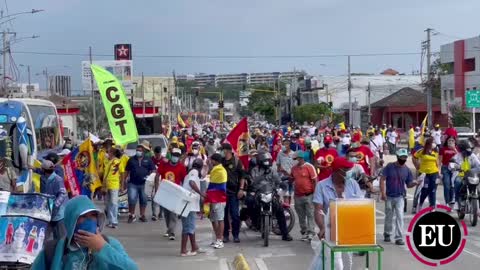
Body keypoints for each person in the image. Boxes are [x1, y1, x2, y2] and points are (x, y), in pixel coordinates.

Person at [31, 195, 138, 270]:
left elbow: (132, 268)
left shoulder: (110, 244)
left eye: (93, 216)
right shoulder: (53, 251)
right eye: (83, 217)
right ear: (71, 220)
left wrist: (102, 248)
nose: (90, 220)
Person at [313, 157, 363, 270]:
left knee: (347, 262)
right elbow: (318, 209)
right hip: (330, 229)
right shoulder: (321, 186)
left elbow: (361, 206)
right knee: (336, 263)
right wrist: (322, 228)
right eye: (346, 169)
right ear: (337, 171)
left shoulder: (353, 184)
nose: (350, 171)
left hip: (349, 230)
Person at [248, 151, 293, 241]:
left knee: (280, 210)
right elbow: (252, 182)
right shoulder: (254, 170)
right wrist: (261, 177)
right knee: (250, 204)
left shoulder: (272, 170)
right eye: (264, 161)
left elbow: (278, 180)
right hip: (258, 193)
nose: (266, 163)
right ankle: (254, 223)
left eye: (267, 161)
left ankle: (285, 233)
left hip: (271, 192)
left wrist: (281, 185)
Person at [380, 149, 418, 245]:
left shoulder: (407, 170)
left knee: (400, 217)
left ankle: (399, 237)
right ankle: (387, 233)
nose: (403, 159)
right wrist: (383, 193)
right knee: (389, 216)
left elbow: (409, 184)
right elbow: (382, 179)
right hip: (389, 196)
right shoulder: (389, 167)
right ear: (397, 157)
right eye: (402, 157)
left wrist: (415, 183)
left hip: (400, 197)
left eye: (405, 157)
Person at [155, 148, 187, 240]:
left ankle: (172, 232)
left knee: (173, 213)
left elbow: (184, 180)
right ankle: (169, 229)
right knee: (166, 213)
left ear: (179, 157)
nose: (175, 157)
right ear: (171, 155)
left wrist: (184, 192)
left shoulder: (181, 167)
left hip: (175, 193)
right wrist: (157, 189)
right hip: (164, 191)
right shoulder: (164, 165)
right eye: (174, 155)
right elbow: (157, 175)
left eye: (177, 156)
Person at [220, 143, 246, 243]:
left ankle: (236, 235)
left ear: (229, 151)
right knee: (224, 215)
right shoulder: (221, 161)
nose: (223, 152)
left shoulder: (236, 161)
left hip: (234, 192)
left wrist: (241, 189)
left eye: (224, 150)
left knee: (235, 214)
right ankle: (225, 235)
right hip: (223, 192)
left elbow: (242, 176)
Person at [124, 144, 155, 223]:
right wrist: (124, 182)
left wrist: (150, 178)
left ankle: (142, 215)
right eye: (137, 150)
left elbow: (153, 170)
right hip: (133, 183)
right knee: (131, 199)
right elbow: (127, 171)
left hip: (144, 184)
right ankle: (131, 215)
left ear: (143, 152)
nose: (138, 152)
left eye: (140, 151)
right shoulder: (131, 159)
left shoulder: (148, 160)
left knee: (144, 200)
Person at [180, 158, 205, 256]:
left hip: (189, 204)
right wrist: (201, 193)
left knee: (190, 227)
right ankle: (183, 250)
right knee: (187, 228)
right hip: (189, 205)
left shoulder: (190, 172)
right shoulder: (194, 172)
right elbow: (192, 183)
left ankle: (194, 247)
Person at [290, 151, 317, 241]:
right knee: (301, 215)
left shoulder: (309, 167)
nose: (296, 160)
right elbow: (291, 178)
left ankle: (311, 232)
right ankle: (304, 231)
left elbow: (315, 180)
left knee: (310, 214)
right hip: (298, 195)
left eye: (297, 158)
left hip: (308, 195)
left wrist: (315, 193)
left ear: (301, 158)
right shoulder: (294, 168)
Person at [39, 160, 68, 239]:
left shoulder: (57, 179)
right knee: (44, 237)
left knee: (61, 238)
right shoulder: (42, 179)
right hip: (46, 212)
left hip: (58, 214)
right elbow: (43, 193)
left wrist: (55, 205)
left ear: (43, 170)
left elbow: (63, 194)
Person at [206, 153, 227, 249]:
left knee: (220, 219)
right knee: (213, 219)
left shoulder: (219, 170)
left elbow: (213, 185)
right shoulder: (216, 169)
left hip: (219, 198)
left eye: (212, 160)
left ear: (215, 161)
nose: (210, 162)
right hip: (213, 197)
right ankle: (217, 238)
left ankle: (220, 240)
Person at [413, 138, 441, 210]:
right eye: (433, 142)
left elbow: (437, 162)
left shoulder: (436, 151)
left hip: (434, 173)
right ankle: (420, 204)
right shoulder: (421, 151)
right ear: (429, 144)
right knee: (424, 190)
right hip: (424, 173)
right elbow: (414, 157)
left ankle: (432, 206)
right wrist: (417, 165)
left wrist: (439, 172)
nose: (434, 144)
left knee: (433, 190)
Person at [452, 140, 480, 209]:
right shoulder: (457, 156)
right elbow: (452, 164)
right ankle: (456, 201)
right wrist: (454, 167)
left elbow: (478, 165)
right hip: (460, 175)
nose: (467, 152)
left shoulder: (473, 156)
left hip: (471, 175)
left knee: (478, 187)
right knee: (458, 183)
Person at [103, 147, 123, 229]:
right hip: (107, 185)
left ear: (113, 154)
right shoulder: (108, 162)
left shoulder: (118, 162)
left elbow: (122, 173)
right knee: (108, 204)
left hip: (114, 185)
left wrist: (122, 184)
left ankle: (114, 221)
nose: (108, 154)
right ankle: (111, 221)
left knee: (114, 203)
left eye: (109, 152)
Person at [439, 137, 458, 206]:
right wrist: (439, 171)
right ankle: (447, 202)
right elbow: (440, 161)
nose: (451, 141)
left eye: (452, 140)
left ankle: (451, 201)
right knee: (447, 185)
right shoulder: (443, 149)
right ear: (447, 141)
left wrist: (454, 149)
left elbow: (460, 157)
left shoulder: (457, 148)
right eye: (449, 140)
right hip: (445, 168)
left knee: (452, 185)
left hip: (454, 168)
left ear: (455, 142)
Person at [277, 139, 296, 204]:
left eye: (287, 144)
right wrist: (280, 170)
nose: (285, 145)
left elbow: (295, 167)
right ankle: (286, 210)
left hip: (291, 177)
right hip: (283, 178)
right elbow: (278, 166)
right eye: (284, 144)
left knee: (290, 194)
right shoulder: (280, 154)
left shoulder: (293, 154)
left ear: (289, 145)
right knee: (286, 194)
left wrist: (292, 176)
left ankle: (288, 208)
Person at [151, 146, 165, 221]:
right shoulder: (152, 159)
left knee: (162, 198)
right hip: (153, 180)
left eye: (159, 154)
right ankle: (154, 214)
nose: (157, 156)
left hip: (162, 181)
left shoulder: (164, 160)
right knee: (154, 197)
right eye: (156, 154)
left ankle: (161, 213)